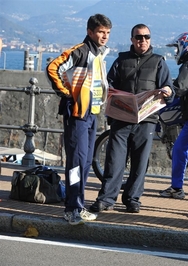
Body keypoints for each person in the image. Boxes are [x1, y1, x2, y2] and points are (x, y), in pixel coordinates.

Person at [90, 23, 174, 213]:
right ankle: (106, 199)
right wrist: (110, 92)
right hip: (121, 119)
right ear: (132, 40)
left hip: (147, 120)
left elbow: (169, 88)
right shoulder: (121, 60)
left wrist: (168, 91)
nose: (142, 40)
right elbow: (108, 85)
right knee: (114, 160)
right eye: (138, 37)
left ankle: (132, 199)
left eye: (146, 37)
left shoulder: (159, 61)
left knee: (140, 162)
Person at [46, 14, 112, 225]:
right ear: (90, 32)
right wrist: (67, 93)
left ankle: (78, 204)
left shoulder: (99, 54)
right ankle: (72, 208)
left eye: (107, 33)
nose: (104, 36)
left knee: (84, 162)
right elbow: (53, 68)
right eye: (101, 32)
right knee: (75, 163)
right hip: (77, 114)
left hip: (91, 114)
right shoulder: (81, 51)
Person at [159, 32, 188, 199]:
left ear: (186, 46)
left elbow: (180, 87)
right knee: (179, 149)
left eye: (178, 47)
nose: (177, 52)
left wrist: (166, 91)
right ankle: (177, 188)